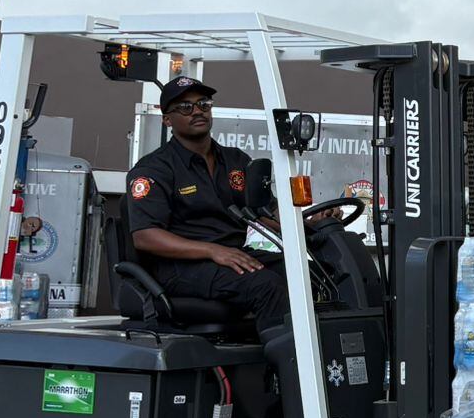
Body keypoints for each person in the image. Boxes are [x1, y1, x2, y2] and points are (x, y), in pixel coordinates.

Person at [125, 77, 333, 330]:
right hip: (181, 268)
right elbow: (145, 236)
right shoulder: (154, 168)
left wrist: (308, 223)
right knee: (265, 285)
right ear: (167, 119)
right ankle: (285, 367)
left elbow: (263, 210)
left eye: (203, 104)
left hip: (232, 256)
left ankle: (323, 361)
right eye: (185, 107)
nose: (198, 111)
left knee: (313, 275)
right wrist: (213, 251)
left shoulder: (235, 160)